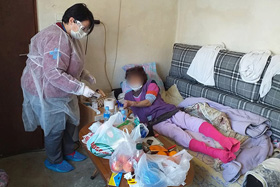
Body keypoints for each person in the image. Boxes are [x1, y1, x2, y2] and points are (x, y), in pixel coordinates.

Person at [21, 3, 99, 172]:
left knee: (71, 121)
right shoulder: (55, 38)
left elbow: (71, 62)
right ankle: (54, 160)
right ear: (72, 20)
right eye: (84, 28)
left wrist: (85, 75)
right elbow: (53, 73)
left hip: (65, 88)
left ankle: (69, 151)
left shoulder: (69, 35)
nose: (84, 32)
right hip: (47, 89)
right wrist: (81, 88)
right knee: (55, 128)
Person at [124, 66, 240, 163]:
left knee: (194, 122)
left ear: (143, 78)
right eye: (130, 79)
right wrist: (126, 110)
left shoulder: (150, 84)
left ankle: (225, 141)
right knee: (181, 137)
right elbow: (129, 113)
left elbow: (149, 101)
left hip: (170, 112)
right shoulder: (127, 96)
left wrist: (132, 103)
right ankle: (217, 153)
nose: (133, 81)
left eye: (135, 77)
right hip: (157, 123)